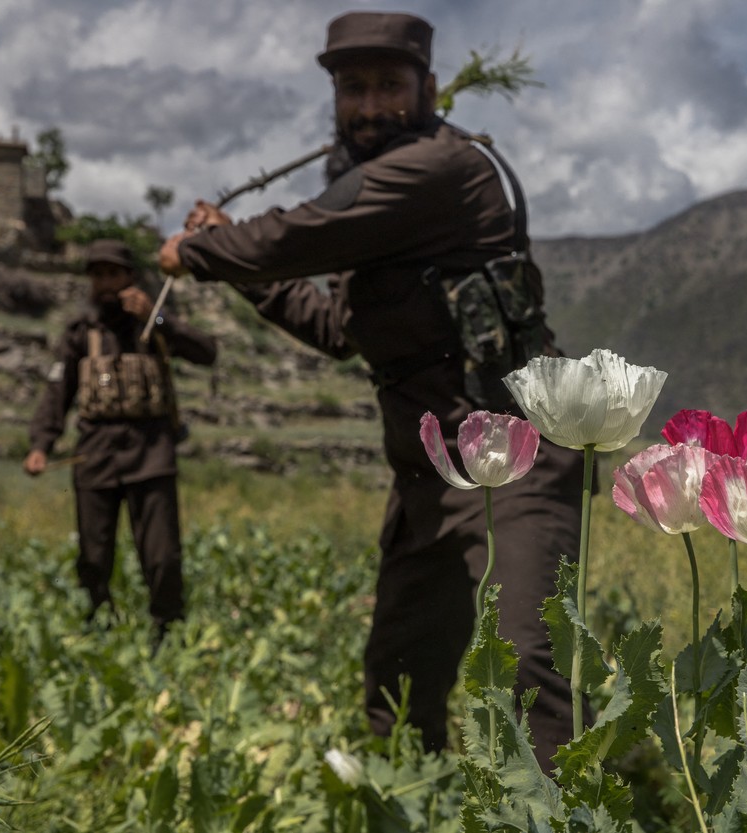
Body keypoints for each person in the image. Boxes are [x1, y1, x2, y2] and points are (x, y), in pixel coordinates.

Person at [157, 11, 584, 766]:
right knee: (400, 672)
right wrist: (238, 264)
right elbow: (336, 327)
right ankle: (404, 800)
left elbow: (296, 237)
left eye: (390, 85)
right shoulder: (381, 212)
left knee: (527, 661)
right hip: (429, 467)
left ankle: (564, 810)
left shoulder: (437, 169)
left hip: (513, 455)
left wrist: (200, 249)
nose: (370, 105)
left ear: (430, 89)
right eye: (352, 88)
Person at [25, 238, 217, 648]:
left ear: (130, 277)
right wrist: (41, 444)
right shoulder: (80, 333)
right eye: (98, 275)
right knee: (93, 557)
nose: (106, 283)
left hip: (151, 455)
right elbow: (57, 392)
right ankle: (100, 630)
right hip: (95, 456)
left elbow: (207, 352)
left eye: (113, 274)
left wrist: (157, 317)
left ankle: (168, 636)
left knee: (162, 557)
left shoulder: (154, 324)